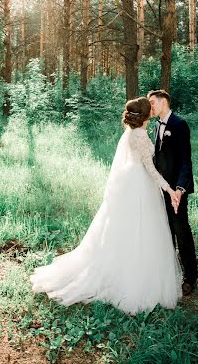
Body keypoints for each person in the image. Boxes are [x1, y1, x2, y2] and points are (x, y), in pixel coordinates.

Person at [30, 97, 183, 315]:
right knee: (140, 230)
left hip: (133, 182)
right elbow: (150, 168)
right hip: (140, 186)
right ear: (144, 115)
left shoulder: (132, 132)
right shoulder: (139, 135)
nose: (153, 109)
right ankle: (135, 278)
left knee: (127, 231)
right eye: (149, 108)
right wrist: (168, 189)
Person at [147, 89, 198, 296]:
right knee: (165, 230)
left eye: (152, 103)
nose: (150, 107)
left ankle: (190, 276)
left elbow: (186, 160)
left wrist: (179, 189)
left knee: (181, 230)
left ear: (163, 102)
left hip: (176, 190)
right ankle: (170, 272)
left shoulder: (179, 124)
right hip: (160, 187)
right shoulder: (156, 125)